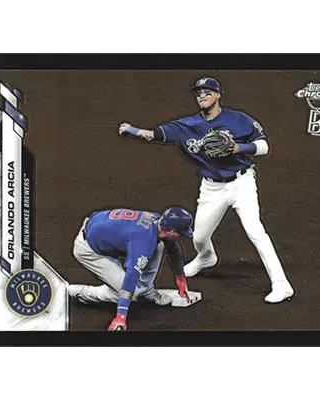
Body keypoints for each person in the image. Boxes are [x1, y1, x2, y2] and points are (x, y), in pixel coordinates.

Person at [118, 77, 294, 304]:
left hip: (242, 183)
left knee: (255, 231)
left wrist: (237, 147)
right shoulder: (185, 126)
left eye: (207, 92)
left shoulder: (239, 119)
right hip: (211, 188)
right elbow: (153, 135)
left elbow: (264, 146)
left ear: (218, 95)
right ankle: (206, 258)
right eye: (199, 93)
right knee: (200, 237)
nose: (202, 95)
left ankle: (281, 284)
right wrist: (130, 129)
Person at [68, 206, 193, 331]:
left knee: (159, 243)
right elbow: (131, 277)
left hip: (100, 230)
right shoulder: (143, 242)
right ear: (172, 231)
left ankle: (146, 293)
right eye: (181, 233)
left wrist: (180, 278)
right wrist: (121, 317)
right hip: (89, 250)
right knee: (131, 294)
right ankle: (75, 292)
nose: (182, 236)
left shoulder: (158, 223)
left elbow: (173, 248)